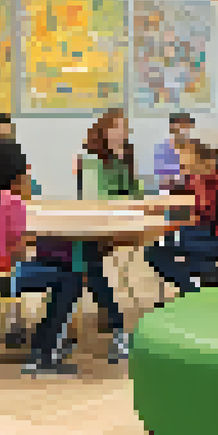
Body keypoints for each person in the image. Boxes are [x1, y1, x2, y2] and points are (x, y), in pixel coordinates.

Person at [0, 142, 84, 374]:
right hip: (2, 277)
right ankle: (45, 353)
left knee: (60, 273)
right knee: (71, 278)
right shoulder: (13, 202)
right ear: (16, 174)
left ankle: (41, 348)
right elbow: (18, 252)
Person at [57, 109, 135, 361]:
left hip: (106, 228)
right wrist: (124, 196)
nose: (121, 133)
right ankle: (115, 329)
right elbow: (97, 198)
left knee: (89, 275)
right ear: (103, 131)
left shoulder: (121, 158)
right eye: (116, 128)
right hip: (87, 228)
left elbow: (135, 191)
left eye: (124, 128)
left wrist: (124, 168)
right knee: (88, 274)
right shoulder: (90, 158)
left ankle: (70, 330)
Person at [145, 141, 218, 295]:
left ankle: (192, 290)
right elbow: (178, 209)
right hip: (198, 236)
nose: (180, 162)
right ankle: (195, 288)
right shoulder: (190, 180)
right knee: (156, 250)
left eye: (184, 157)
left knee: (167, 245)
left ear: (199, 159)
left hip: (217, 239)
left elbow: (202, 214)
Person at [153, 113, 196, 192]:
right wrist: (181, 169)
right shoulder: (163, 147)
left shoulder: (193, 146)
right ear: (172, 127)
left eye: (186, 126)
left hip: (190, 187)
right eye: (181, 125)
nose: (183, 129)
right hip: (168, 188)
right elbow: (160, 170)